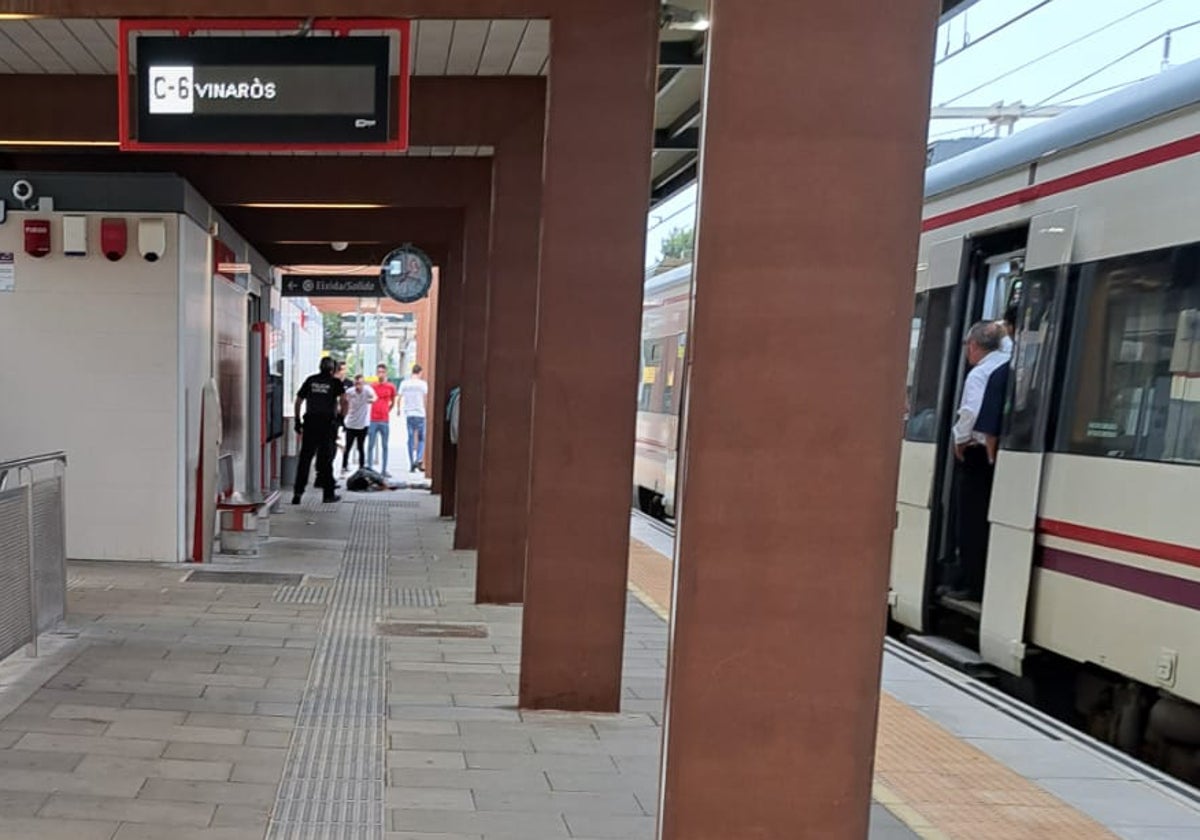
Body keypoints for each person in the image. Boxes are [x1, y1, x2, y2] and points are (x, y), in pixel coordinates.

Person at [947, 321, 1009, 601]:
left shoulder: (979, 373)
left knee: (970, 521)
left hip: (976, 453)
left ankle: (970, 584)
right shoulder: (1008, 364)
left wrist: (959, 442)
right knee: (987, 520)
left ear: (972, 346)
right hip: (998, 457)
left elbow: (970, 413)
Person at [292, 356, 349, 504]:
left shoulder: (311, 380)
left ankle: (297, 494)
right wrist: (341, 418)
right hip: (327, 425)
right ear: (332, 369)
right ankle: (328, 494)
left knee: (305, 459)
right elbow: (344, 401)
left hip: (310, 423)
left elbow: (298, 400)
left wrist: (297, 420)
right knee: (326, 459)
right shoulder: (335, 382)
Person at [341, 374, 375, 475]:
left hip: (363, 424)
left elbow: (374, 397)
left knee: (361, 447)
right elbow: (343, 400)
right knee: (348, 446)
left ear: (363, 384)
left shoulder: (367, 390)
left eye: (359, 384)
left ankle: (361, 467)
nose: (357, 386)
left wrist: (370, 400)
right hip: (351, 423)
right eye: (356, 384)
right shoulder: (350, 392)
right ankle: (344, 466)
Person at [367, 363, 397, 476]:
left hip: (384, 419)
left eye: (382, 372)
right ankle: (369, 467)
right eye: (379, 372)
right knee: (370, 445)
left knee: (385, 445)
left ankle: (384, 469)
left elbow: (393, 402)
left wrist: (387, 410)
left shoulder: (391, 387)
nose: (381, 374)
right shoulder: (372, 386)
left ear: (386, 373)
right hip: (373, 419)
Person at [398, 364, 428, 473]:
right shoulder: (422, 384)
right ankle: (418, 458)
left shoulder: (405, 383)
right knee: (421, 438)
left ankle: (411, 462)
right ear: (420, 372)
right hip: (420, 413)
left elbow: (399, 397)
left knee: (410, 438)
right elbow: (425, 398)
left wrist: (398, 410)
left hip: (409, 413)